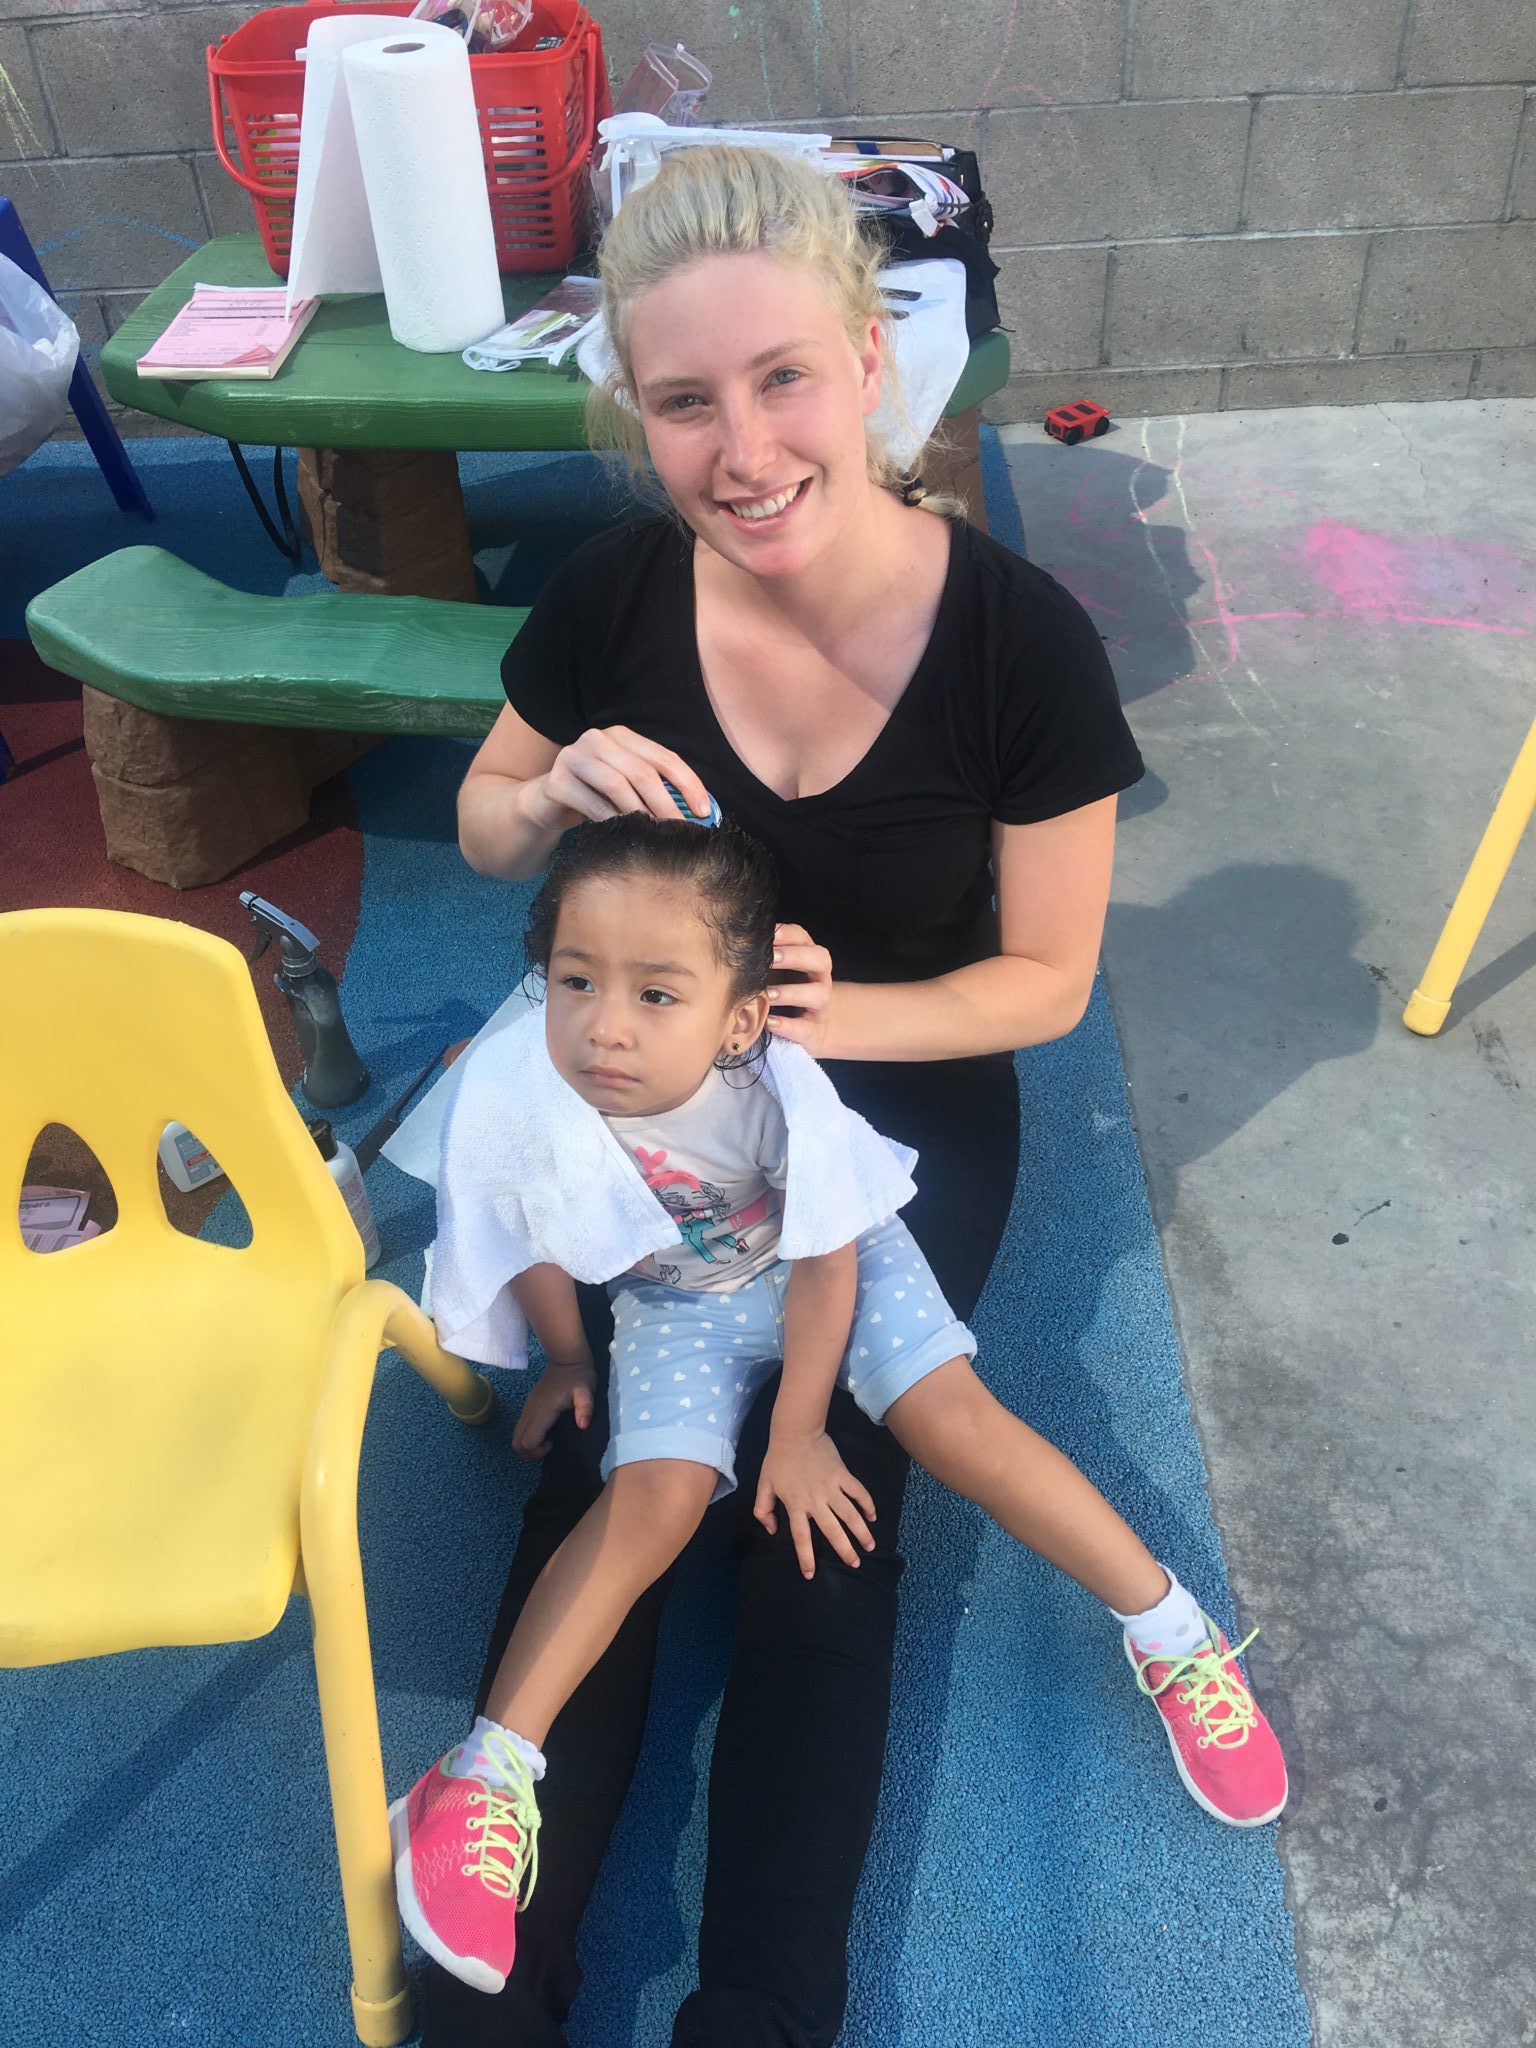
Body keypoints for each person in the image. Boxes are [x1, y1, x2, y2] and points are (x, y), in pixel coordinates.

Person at [422, 141, 1177, 2047]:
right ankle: (489, 1996)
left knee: (818, 1526)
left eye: (780, 380)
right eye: (684, 401)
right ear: (640, 416)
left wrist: (846, 1015)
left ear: (866, 361)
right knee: (607, 1484)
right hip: (661, 1107)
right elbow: (486, 822)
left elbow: (1050, 978)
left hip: (900, 1097)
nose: (741, 446)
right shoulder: (612, 602)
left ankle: (760, 2014)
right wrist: (550, 791)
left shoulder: (1019, 643)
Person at [393, 815, 1288, 1993]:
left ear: (742, 1011)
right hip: (681, 1301)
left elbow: (825, 1260)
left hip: (834, 1258)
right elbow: (529, 1228)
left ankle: (1175, 1631)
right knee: (647, 1502)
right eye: (575, 977)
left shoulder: (778, 1097)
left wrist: (802, 1428)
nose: (605, 1022)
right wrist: (566, 1359)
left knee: (952, 1418)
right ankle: (482, 1773)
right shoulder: (521, 1080)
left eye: (658, 993)